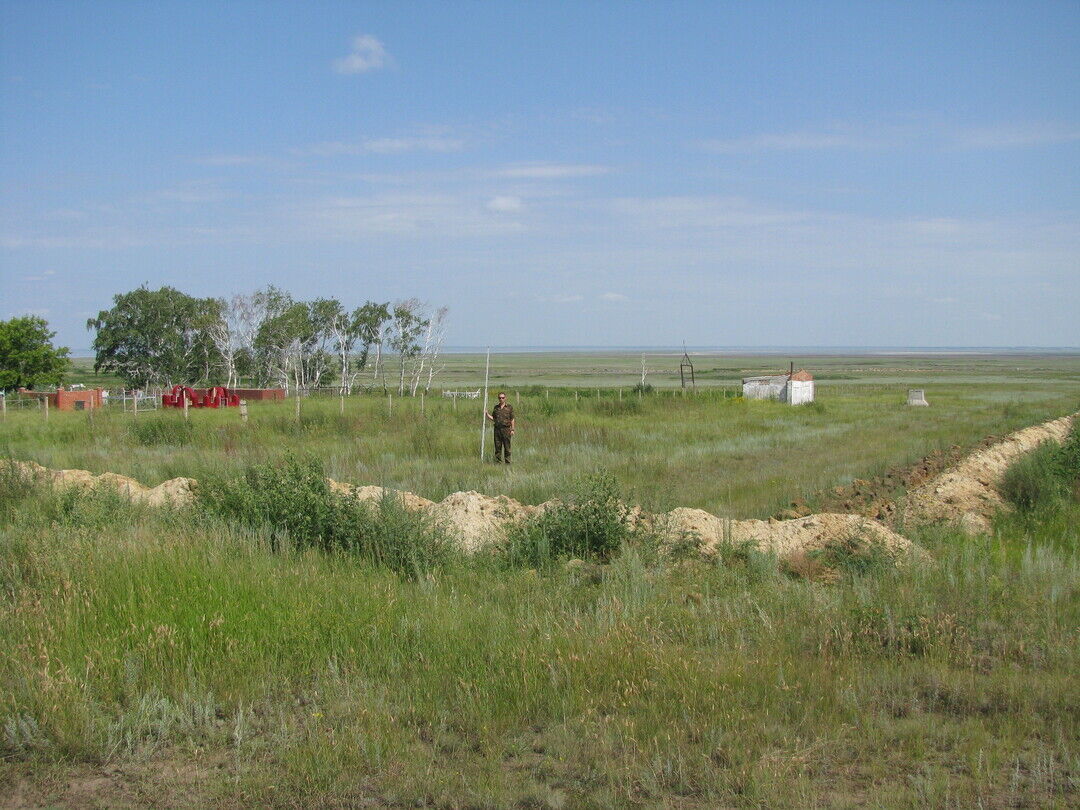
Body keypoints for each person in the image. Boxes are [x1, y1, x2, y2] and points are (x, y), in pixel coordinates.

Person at [486, 391, 515, 464]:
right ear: (498, 398)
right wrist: (487, 414)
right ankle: (498, 462)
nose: (501, 399)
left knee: (507, 448)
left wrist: (512, 429)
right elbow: (494, 418)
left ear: (505, 398)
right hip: (497, 430)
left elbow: (512, 419)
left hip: (506, 430)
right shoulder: (496, 408)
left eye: (503, 398)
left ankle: (508, 463)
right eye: (500, 398)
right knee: (498, 447)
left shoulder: (509, 407)